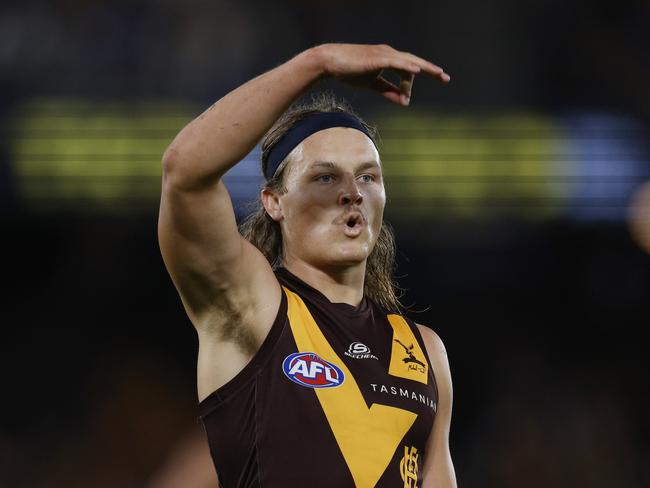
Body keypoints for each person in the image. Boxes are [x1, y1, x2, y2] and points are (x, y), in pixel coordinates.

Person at [158, 43, 456, 487]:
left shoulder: (424, 351)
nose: (352, 191)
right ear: (274, 202)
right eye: (325, 176)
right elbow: (184, 171)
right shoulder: (253, 308)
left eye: (368, 176)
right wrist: (315, 64)